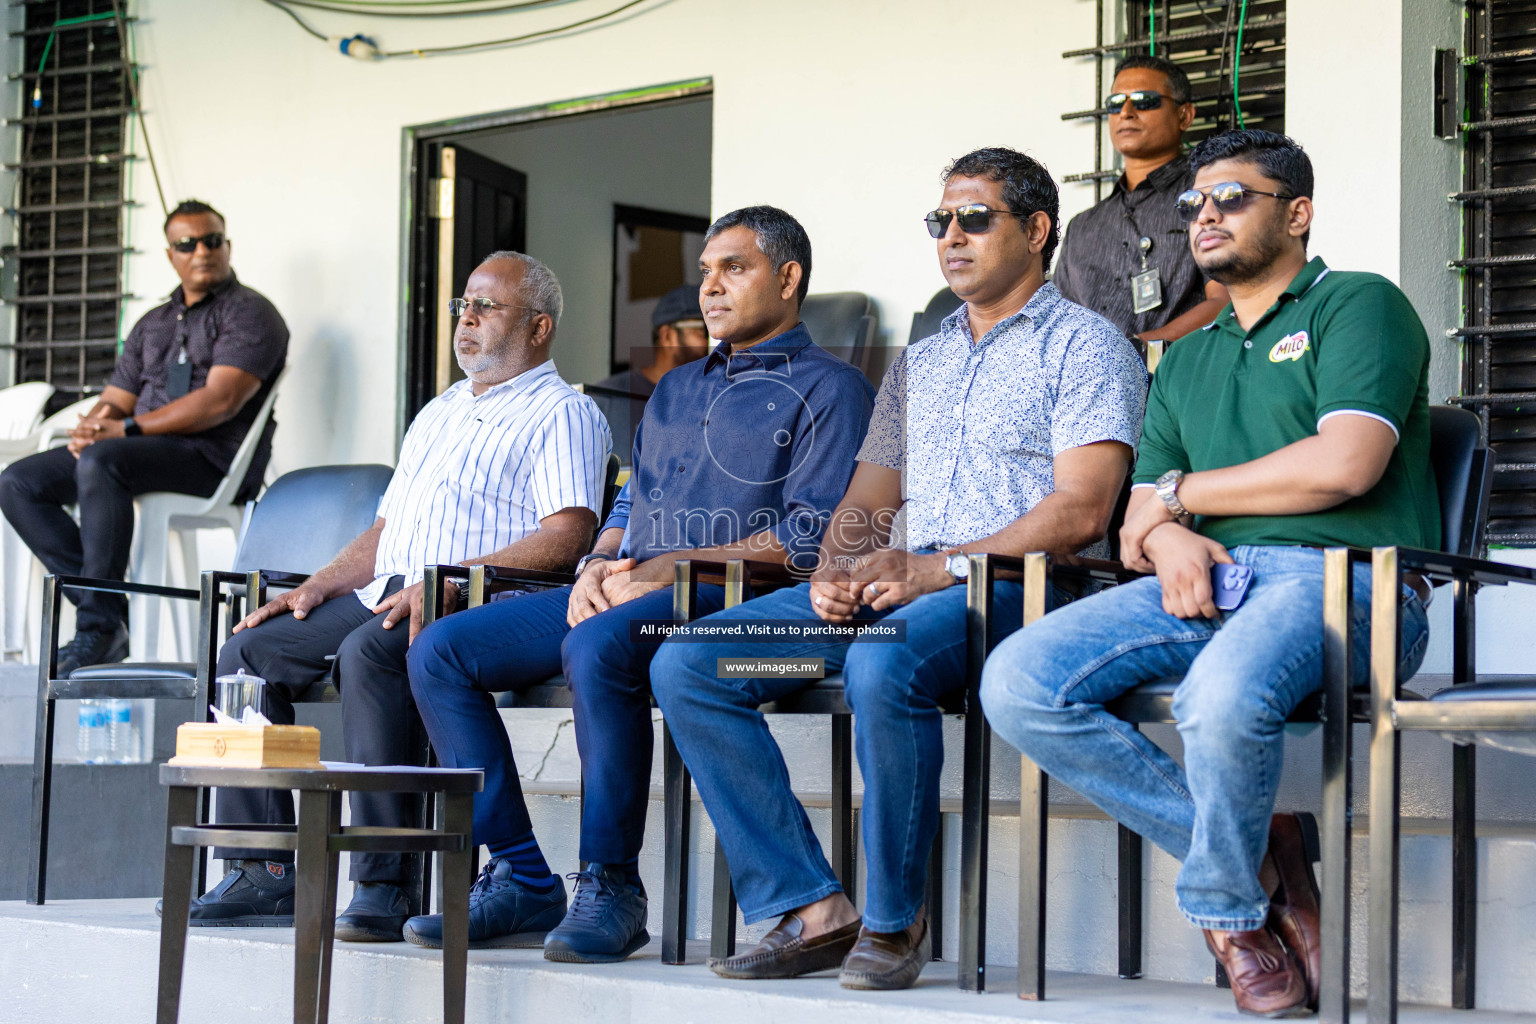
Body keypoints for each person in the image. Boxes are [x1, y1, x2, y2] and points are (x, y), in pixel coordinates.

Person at [649, 147, 1147, 990]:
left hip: (1016, 595)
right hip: (892, 594)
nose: (951, 236)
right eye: (940, 221)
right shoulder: (924, 360)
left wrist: (938, 566)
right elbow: (869, 499)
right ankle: (812, 907)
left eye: (974, 219)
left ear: (1036, 230)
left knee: (885, 661)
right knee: (693, 661)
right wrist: (836, 570)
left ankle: (894, 919)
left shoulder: (1088, 346)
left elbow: (1082, 511)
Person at [980, 130, 1438, 1018]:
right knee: (1019, 680)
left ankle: (1230, 916)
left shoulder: (1357, 305)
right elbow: (1137, 519)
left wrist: (1180, 499)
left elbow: (1344, 465)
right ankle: (1260, 857)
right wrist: (1167, 538)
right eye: (1194, 203)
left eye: (1234, 198)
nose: (1205, 216)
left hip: (1352, 581)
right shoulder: (1185, 356)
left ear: (1296, 213)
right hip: (1210, 581)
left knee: (1219, 696)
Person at [403, 206, 876, 961]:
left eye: (734, 269)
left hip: (732, 593)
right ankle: (522, 875)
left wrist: (667, 569)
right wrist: (599, 560)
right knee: (441, 649)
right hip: (633, 581)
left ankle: (611, 884)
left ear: (788, 279)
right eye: (705, 272)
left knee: (598, 645)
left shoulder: (834, 387)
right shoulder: (677, 387)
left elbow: (809, 537)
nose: (710, 287)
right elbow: (631, 496)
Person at [166, 251, 611, 939]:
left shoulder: (564, 412)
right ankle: (265, 869)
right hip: (388, 586)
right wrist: (316, 583)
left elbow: (567, 535)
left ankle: (383, 881)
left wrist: (455, 577)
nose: (466, 318)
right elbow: (386, 528)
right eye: (464, 303)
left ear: (540, 326)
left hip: (477, 595)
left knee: (369, 653)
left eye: (486, 307)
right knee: (248, 653)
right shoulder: (438, 411)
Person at [0, 199, 287, 676]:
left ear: (228, 246)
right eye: (187, 243)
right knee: (18, 483)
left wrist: (123, 429)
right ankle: (110, 612)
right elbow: (118, 395)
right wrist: (95, 423)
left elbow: (220, 401)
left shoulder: (252, 313)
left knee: (104, 461)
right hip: (134, 452)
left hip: (211, 461)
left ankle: (96, 626)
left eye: (212, 240)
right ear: (170, 253)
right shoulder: (153, 322)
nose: (202, 251)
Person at [1052, 55, 1230, 362]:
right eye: (1115, 102)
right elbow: (1058, 326)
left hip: (1181, 388)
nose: (1126, 112)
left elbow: (1229, 303)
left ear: (1184, 116)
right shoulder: (1083, 226)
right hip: (1091, 396)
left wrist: (1136, 353)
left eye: (1145, 101)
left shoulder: (1208, 197)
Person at [590, 282, 710, 458]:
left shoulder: (712, 397)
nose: (711, 342)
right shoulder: (608, 400)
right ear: (668, 336)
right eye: (702, 332)